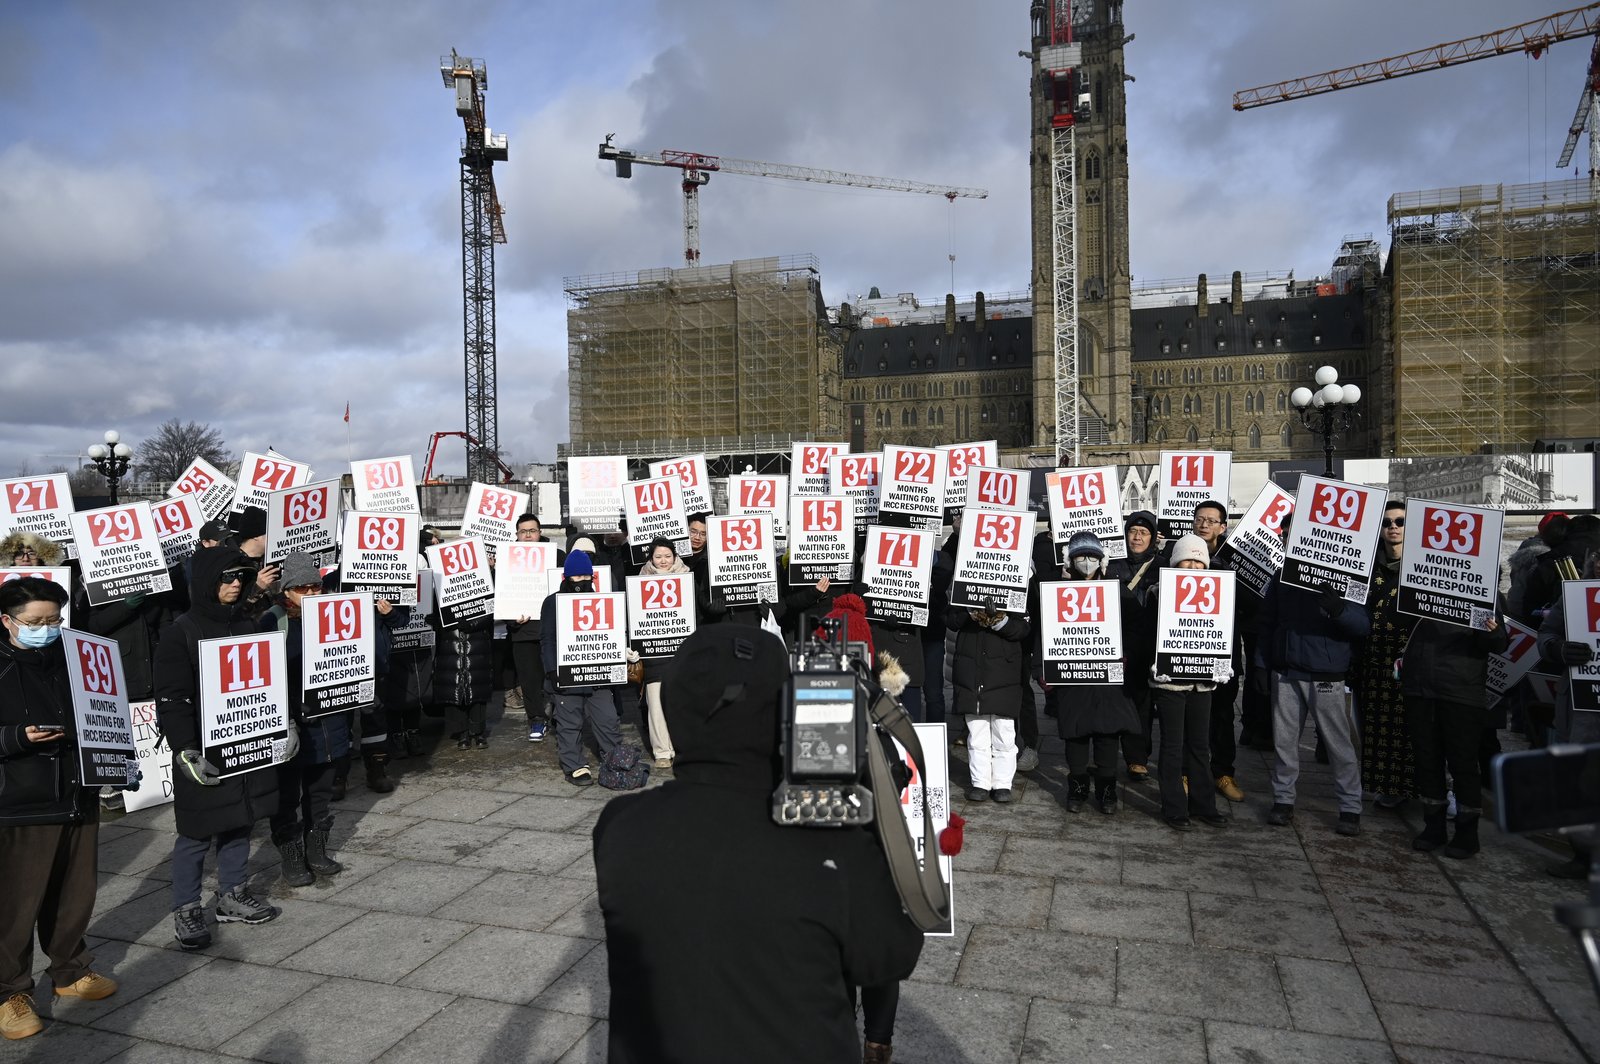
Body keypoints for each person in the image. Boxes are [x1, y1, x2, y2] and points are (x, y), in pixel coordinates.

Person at [593, 624, 924, 1063]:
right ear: (786, 713)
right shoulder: (828, 845)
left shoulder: (620, 826)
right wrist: (862, 805)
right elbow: (891, 955)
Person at [0, 578, 125, 1040]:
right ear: (7, 620)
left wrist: (118, 757)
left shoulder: (78, 656)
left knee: (74, 896)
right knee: (14, 907)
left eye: (54, 619)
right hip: (22, 803)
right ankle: (10, 993)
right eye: (35, 621)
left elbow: (106, 711)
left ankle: (71, 970)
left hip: (77, 794)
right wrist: (16, 737)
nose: (47, 628)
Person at [154, 546, 287, 951]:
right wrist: (186, 750)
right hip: (203, 748)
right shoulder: (180, 632)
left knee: (240, 820)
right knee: (196, 833)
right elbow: (172, 700)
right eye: (227, 577)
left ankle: (233, 894)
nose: (235, 584)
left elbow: (268, 682)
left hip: (246, 740)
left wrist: (285, 724)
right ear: (207, 581)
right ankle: (186, 908)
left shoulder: (248, 624)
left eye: (242, 577)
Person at [1256, 534, 1371, 837]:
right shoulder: (1283, 575)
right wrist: (1261, 663)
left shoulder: (1348, 576)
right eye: (1286, 536)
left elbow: (1362, 626)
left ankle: (1350, 806)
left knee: (1338, 743)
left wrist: (1339, 610)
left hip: (1326, 674)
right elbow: (1267, 621)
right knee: (1284, 741)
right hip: (1286, 670)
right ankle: (1283, 800)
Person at [261, 553, 348, 887]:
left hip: (329, 722)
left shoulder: (337, 615)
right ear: (287, 591)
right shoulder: (274, 620)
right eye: (302, 588)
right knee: (286, 795)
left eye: (316, 586)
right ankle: (292, 857)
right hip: (293, 722)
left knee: (320, 792)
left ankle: (316, 850)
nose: (311, 593)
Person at [1403, 602, 1509, 859]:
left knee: (1463, 764)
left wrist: (1491, 631)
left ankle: (1467, 833)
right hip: (1420, 686)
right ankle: (1433, 826)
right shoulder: (1420, 584)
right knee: (1427, 760)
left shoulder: (1483, 590)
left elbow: (1498, 644)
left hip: (1462, 690)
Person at [1147, 534, 1230, 830]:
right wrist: (1156, 663)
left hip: (1202, 683)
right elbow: (1148, 635)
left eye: (1199, 561)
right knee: (1172, 745)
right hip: (1170, 682)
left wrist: (1222, 667)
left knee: (1199, 744)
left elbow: (1221, 633)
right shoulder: (1158, 592)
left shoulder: (1219, 592)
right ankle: (1174, 807)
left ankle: (1204, 805)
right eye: (1187, 560)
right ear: (1175, 563)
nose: (1193, 566)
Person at [1354, 501, 1419, 810]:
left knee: (1410, 728)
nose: (1393, 527)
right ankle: (1387, 788)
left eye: (1400, 521)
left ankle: (1417, 787)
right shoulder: (1367, 567)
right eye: (1387, 522)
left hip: (1410, 660)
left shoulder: (1422, 567)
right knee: (1376, 727)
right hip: (1373, 660)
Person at [542, 549, 625, 785]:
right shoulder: (552, 602)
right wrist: (552, 670)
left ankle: (615, 760)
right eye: (577, 577)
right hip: (566, 675)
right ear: (566, 577)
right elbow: (547, 639)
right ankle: (575, 765)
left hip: (598, 675)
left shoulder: (603, 601)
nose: (582, 581)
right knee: (569, 724)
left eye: (586, 576)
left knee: (608, 720)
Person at [947, 591, 1031, 804]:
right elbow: (950, 620)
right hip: (971, 668)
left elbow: (1022, 629)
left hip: (1004, 670)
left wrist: (1000, 620)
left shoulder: (1016, 585)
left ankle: (1002, 783)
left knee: (1004, 731)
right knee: (977, 731)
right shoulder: (962, 586)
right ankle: (980, 782)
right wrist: (969, 610)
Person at [1106, 510, 1160, 783]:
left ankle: (1137, 758)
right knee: (1110, 700)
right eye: (1133, 531)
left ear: (1153, 537)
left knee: (1141, 703)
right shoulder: (1110, 563)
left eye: (1144, 532)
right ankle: (1104, 756)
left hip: (1144, 645)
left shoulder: (1161, 565)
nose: (1137, 537)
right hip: (1112, 641)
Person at [506, 513, 564, 742]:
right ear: (517, 535)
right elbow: (502, 595)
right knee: (529, 682)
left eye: (532, 531)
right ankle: (537, 720)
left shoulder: (557, 556)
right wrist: (511, 618)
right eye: (523, 531)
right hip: (522, 631)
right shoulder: (508, 558)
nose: (528, 535)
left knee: (557, 678)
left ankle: (561, 717)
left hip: (554, 630)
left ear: (540, 532)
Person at [637, 537, 689, 767]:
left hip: (681, 651)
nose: (663, 560)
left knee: (681, 703)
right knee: (656, 705)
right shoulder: (639, 581)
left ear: (675, 556)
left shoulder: (687, 578)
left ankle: (681, 747)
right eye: (658, 556)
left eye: (667, 556)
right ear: (651, 558)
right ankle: (662, 752)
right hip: (654, 651)